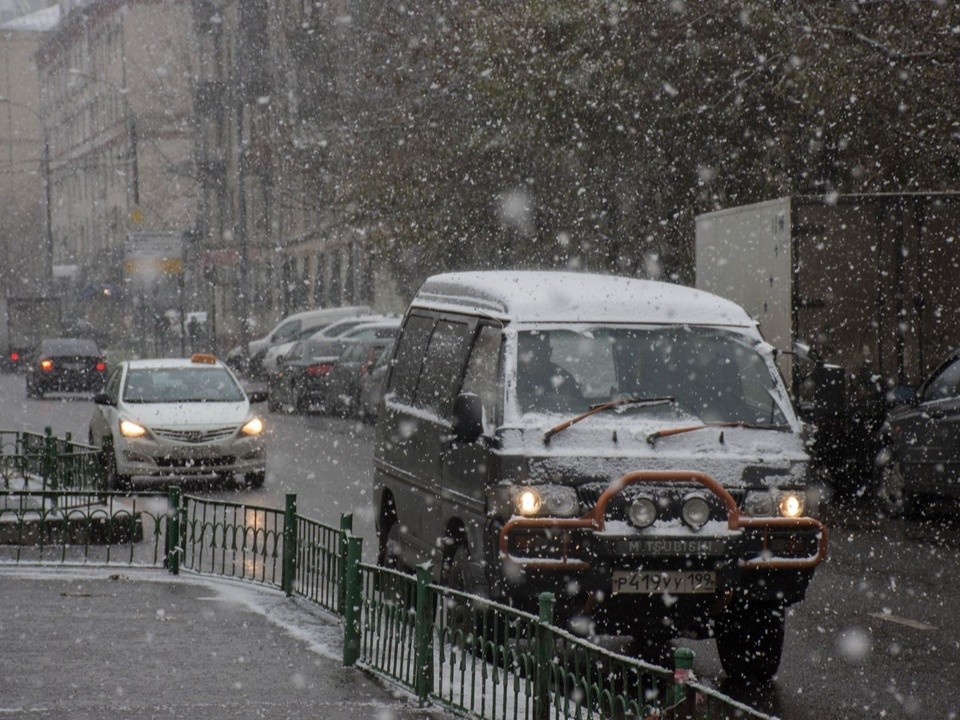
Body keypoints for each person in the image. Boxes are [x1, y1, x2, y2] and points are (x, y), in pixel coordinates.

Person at [516, 331, 583, 412]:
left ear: (549, 352)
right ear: (518, 352)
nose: (533, 356)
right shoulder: (510, 377)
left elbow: (578, 411)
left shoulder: (564, 380)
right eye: (528, 351)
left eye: (539, 350)